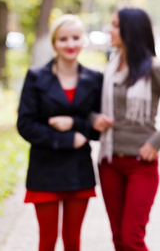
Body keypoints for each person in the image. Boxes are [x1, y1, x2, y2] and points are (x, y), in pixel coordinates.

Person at [93, 6, 160, 251]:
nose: (109, 30)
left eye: (115, 25)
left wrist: (156, 141)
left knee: (131, 238)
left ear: (131, 31)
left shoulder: (154, 69)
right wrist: (95, 118)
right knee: (118, 239)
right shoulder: (110, 68)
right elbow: (94, 107)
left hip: (140, 163)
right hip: (108, 162)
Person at [17, 14, 102, 251]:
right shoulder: (36, 77)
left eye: (75, 37)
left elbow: (98, 128)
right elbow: (25, 124)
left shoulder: (95, 79)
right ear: (55, 43)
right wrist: (66, 139)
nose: (70, 44)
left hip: (78, 171)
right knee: (47, 241)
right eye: (63, 39)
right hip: (45, 171)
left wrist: (73, 122)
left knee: (73, 242)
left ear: (83, 40)